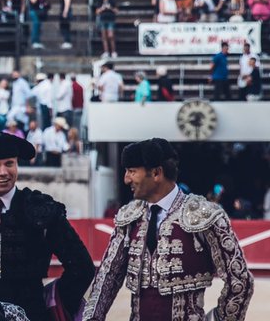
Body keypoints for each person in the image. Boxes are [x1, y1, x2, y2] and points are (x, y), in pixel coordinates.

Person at [81, 138, 253, 321]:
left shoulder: (204, 216)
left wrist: (217, 319)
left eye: (132, 171)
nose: (126, 179)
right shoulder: (129, 217)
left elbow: (240, 281)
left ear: (156, 173)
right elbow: (107, 277)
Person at [0, 131, 94, 321]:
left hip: (30, 311)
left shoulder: (41, 209)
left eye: (9, 163)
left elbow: (82, 266)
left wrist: (53, 301)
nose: (3, 172)